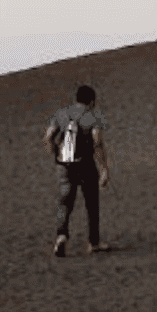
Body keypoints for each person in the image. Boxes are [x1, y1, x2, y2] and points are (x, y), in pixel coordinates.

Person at [43, 84, 110, 257]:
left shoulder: (61, 113)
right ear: (92, 102)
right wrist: (104, 168)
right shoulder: (94, 116)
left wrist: (55, 154)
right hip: (85, 165)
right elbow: (97, 143)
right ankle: (94, 242)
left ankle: (61, 235)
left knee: (65, 202)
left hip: (64, 164)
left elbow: (48, 137)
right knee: (91, 203)